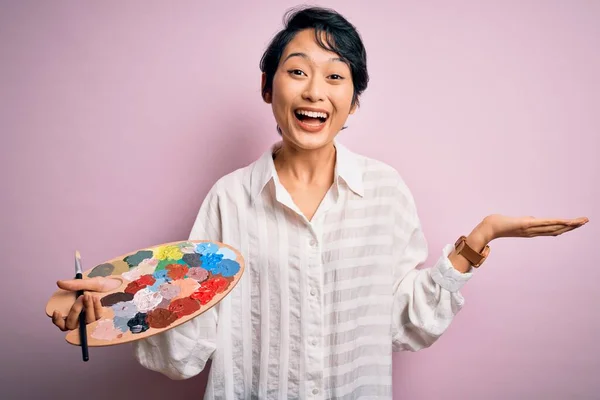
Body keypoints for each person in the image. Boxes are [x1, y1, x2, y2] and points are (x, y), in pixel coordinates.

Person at [50, 6, 588, 400]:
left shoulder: (385, 192)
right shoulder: (229, 198)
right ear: (268, 87)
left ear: (353, 101)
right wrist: (126, 302)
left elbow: (401, 323)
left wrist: (478, 241)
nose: (314, 91)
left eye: (335, 77)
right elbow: (191, 346)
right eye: (298, 71)